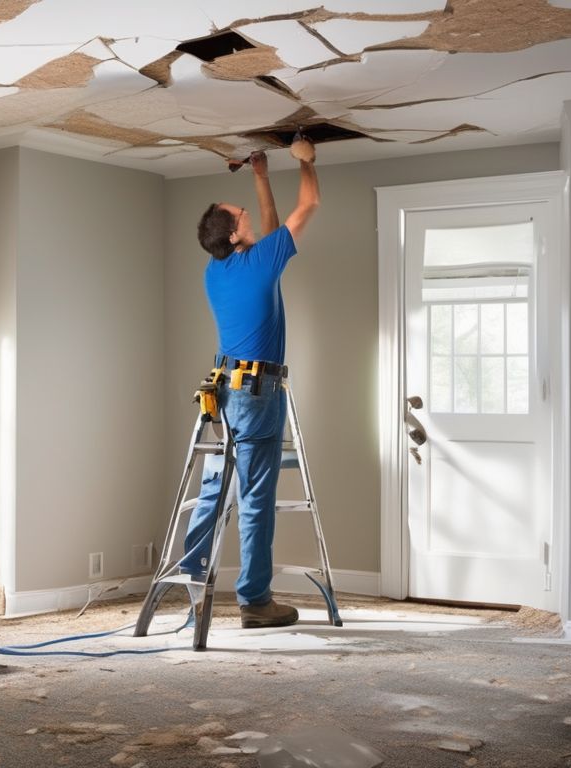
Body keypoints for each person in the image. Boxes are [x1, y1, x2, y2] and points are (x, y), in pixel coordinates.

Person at [182, 139, 320, 629]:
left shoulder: (215, 270)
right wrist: (306, 161)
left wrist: (260, 175)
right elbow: (310, 204)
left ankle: (193, 577)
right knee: (256, 499)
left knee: (214, 488)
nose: (248, 216)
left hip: (223, 392)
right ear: (236, 233)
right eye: (242, 214)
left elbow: (269, 230)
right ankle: (255, 601)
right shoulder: (260, 261)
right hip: (258, 395)